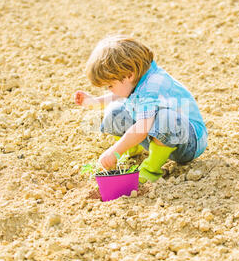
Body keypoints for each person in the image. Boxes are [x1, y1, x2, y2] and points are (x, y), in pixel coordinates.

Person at [74, 35, 207, 183]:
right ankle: (132, 151)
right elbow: (121, 94)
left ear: (129, 75)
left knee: (166, 118)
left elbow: (142, 128)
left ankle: (150, 171)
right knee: (115, 112)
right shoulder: (137, 78)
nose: (110, 90)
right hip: (160, 136)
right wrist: (95, 102)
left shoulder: (152, 87)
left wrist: (113, 151)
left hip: (188, 143)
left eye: (110, 85)